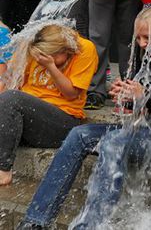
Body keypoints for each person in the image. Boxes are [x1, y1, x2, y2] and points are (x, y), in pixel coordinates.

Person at [17, 7, 151, 228]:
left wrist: (145, 97)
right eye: (138, 38)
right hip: (148, 132)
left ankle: (90, 225)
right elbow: (145, 104)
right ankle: (35, 221)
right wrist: (127, 97)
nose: (141, 43)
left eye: (147, 37)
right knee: (79, 134)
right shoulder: (145, 53)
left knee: (113, 141)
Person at [0, 24, 98, 186]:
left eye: (47, 57)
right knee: (8, 98)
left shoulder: (84, 49)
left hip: (62, 122)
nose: (40, 60)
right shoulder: (33, 46)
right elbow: (10, 80)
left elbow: (72, 94)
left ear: (65, 50)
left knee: (13, 98)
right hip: (28, 119)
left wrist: (51, 67)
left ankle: (3, 171)